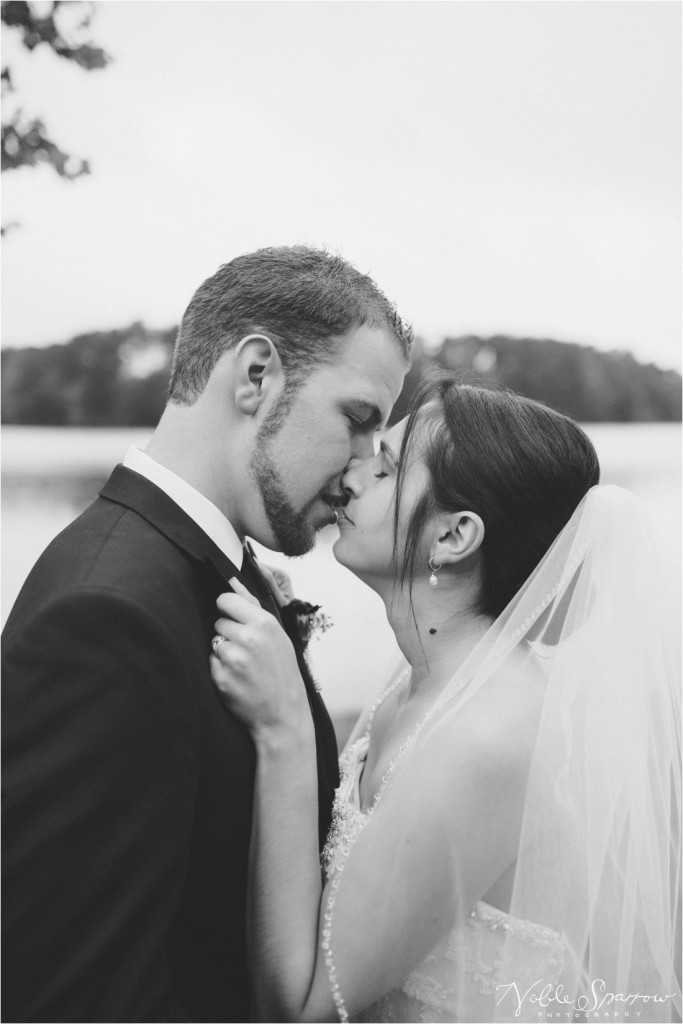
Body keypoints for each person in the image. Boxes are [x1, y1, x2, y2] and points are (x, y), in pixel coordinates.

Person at [1, 246, 411, 1022]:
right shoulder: (105, 617)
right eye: (356, 421)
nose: (361, 469)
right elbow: (71, 999)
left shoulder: (204, 570)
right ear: (256, 375)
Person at [211, 372, 682, 1023]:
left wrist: (284, 727)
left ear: (453, 536)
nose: (350, 473)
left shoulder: (489, 731)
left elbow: (304, 1004)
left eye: (386, 467)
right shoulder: (417, 684)